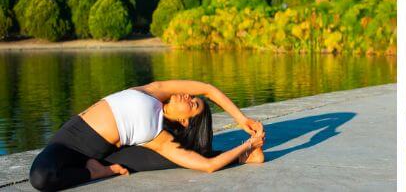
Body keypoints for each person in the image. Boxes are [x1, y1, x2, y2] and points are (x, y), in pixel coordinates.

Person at [28, 80, 264, 191]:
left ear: (185, 121)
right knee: (42, 175)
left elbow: (208, 165)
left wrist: (247, 145)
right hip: (67, 140)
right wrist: (242, 119)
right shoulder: (155, 91)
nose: (189, 96)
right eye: (193, 97)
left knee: (40, 179)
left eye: (193, 104)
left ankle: (96, 170)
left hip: (98, 154)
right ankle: (96, 171)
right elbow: (209, 90)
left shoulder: (160, 138)